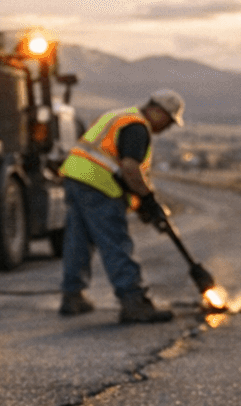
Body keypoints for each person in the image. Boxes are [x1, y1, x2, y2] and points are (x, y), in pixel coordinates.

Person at [56, 89, 185, 323]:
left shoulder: (118, 116)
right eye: (169, 121)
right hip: (98, 184)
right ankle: (133, 301)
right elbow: (129, 169)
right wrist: (148, 199)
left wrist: (142, 204)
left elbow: (115, 163)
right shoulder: (137, 127)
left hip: (75, 178)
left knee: (78, 240)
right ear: (157, 111)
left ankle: (72, 296)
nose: (167, 128)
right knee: (116, 242)